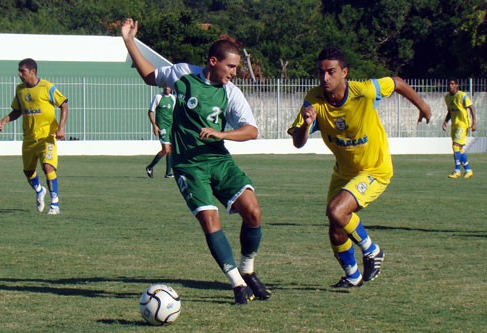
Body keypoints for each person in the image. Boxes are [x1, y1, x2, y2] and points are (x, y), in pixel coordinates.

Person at [121, 18, 271, 304]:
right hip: (188, 165)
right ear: (213, 61)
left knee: (253, 212)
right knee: (210, 219)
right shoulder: (183, 75)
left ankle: (248, 270)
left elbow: (251, 130)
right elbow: (150, 75)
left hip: (219, 160)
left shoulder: (230, 92)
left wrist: (220, 133)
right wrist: (129, 41)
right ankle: (237, 284)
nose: (235, 72)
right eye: (231, 66)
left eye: (236, 67)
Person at [288, 47, 431, 289]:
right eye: (321, 72)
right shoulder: (313, 100)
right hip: (343, 172)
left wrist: (423, 106)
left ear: (344, 72)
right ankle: (353, 275)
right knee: (335, 227)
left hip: (374, 169)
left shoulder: (364, 91)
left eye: (331, 72)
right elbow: (298, 143)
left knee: (336, 211)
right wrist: (307, 124)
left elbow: (396, 82)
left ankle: (372, 250)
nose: (325, 78)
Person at [0, 58, 68, 215]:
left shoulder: (47, 87)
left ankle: (54, 205)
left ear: (33, 71)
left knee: (47, 166)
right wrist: (4, 120)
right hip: (29, 138)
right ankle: (39, 190)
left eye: (22, 71)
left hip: (47, 137)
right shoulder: (20, 90)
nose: (19, 74)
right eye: (19, 71)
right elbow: (17, 111)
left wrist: (61, 127)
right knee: (28, 172)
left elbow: (64, 105)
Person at [442, 79, 477, 178]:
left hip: (463, 124)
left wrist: (474, 123)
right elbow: (450, 111)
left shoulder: (462, 95)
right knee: (459, 149)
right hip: (454, 125)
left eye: (452, 84)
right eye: (449, 83)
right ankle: (468, 170)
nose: (450, 85)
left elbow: (472, 108)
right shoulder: (447, 97)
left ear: (457, 85)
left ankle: (457, 170)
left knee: (455, 146)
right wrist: (445, 121)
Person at [146, 86, 176, 179]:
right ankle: (149, 167)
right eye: (165, 86)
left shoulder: (172, 98)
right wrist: (154, 126)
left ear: (171, 88)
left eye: (169, 86)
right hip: (162, 127)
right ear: (163, 87)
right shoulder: (158, 97)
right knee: (166, 150)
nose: (167, 88)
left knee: (170, 150)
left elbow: (174, 112)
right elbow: (150, 112)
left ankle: (168, 173)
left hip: (171, 126)